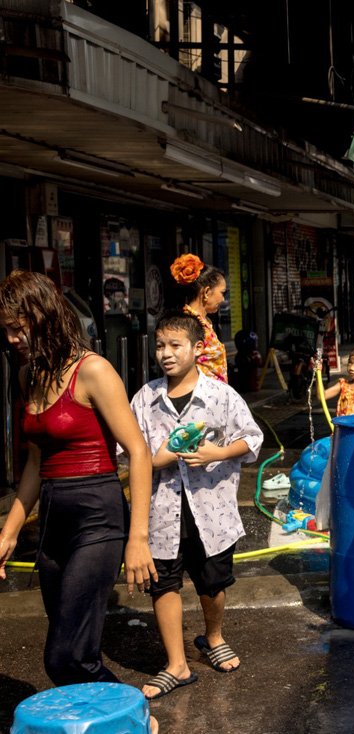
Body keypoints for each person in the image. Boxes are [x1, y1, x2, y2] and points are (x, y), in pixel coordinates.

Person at [0, 272, 158, 690]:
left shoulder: (93, 370)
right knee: (74, 653)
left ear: (43, 315)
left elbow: (139, 452)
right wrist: (9, 532)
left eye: (18, 327)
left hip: (97, 515)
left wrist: (138, 537)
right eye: (6, 330)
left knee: (63, 654)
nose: (12, 338)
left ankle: (136, 716)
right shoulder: (26, 375)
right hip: (54, 518)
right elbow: (35, 462)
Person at [129, 310, 263, 699]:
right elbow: (131, 452)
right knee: (163, 582)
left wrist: (215, 453)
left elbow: (251, 439)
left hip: (212, 510)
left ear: (197, 348)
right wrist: (163, 456)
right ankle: (176, 664)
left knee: (213, 582)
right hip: (161, 512)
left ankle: (213, 636)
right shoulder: (145, 398)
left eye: (175, 345)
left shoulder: (220, 394)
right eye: (160, 346)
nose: (166, 354)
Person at [171, 253, 228, 383]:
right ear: (207, 292)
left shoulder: (203, 321)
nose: (223, 299)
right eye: (222, 292)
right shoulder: (187, 323)